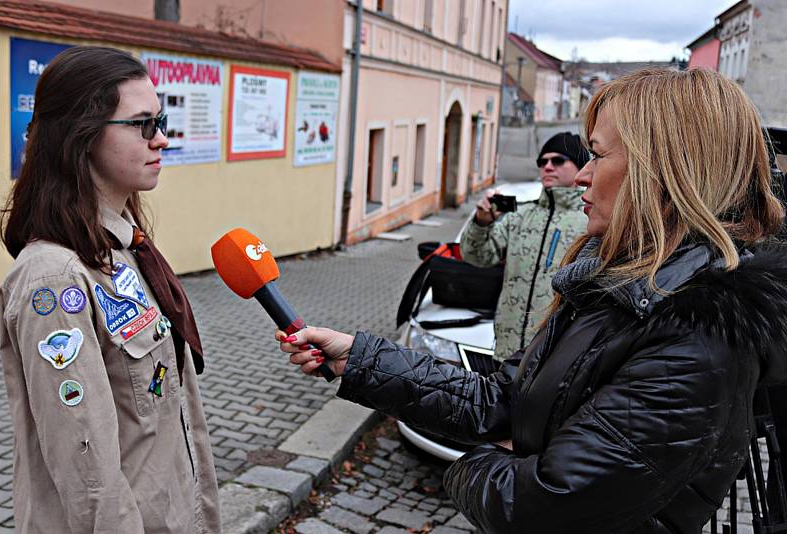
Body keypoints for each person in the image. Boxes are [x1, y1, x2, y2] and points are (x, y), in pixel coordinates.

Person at [277, 68, 787, 533]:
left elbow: (545, 504)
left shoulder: (698, 335)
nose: (582, 175)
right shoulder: (619, 290)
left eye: (599, 154)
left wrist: (473, 465)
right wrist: (360, 359)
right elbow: (503, 395)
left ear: (667, 171)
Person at [0, 46, 220, 533]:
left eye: (160, 120)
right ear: (83, 134)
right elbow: (89, 478)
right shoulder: (54, 282)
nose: (161, 139)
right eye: (142, 124)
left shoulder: (121, 248)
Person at [460, 132, 589, 361]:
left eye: (558, 160)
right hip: (506, 351)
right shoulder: (520, 214)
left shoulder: (590, 220)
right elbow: (476, 256)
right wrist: (482, 222)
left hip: (553, 358)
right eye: (542, 162)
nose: (547, 167)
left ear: (580, 166)